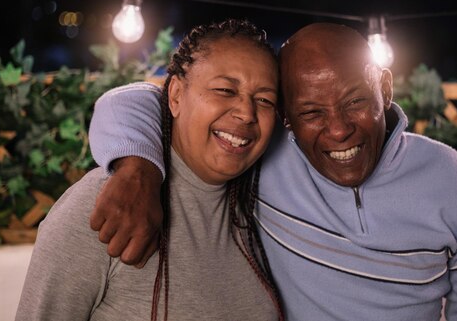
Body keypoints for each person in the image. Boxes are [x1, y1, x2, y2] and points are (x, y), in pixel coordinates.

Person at [88, 22, 457, 320]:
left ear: (384, 89)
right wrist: (137, 167)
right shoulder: (265, 156)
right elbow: (135, 99)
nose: (338, 130)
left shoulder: (447, 176)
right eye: (311, 112)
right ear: (287, 117)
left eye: (355, 101)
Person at [15, 19, 284, 321]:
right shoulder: (109, 205)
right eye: (224, 90)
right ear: (176, 96)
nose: (247, 112)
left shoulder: (261, 214)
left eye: (264, 99)